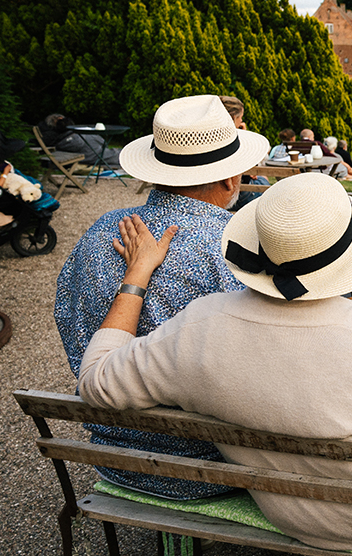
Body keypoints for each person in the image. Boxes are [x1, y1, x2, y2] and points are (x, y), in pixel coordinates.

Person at [75, 172, 352, 552]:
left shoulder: (199, 325)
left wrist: (137, 276)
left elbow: (95, 382)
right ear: (350, 260)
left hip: (291, 510)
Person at [55, 94, 267, 499]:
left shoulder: (103, 229)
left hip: (115, 454)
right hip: (209, 463)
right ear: (229, 178)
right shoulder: (233, 246)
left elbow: (68, 319)